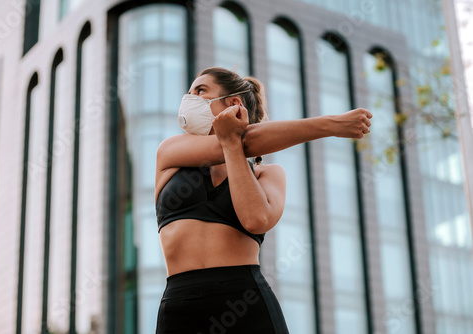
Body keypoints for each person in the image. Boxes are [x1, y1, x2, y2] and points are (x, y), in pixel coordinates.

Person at [154, 67, 372, 334]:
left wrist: (233, 145)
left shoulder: (268, 174)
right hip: (179, 303)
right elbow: (247, 140)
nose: (189, 99)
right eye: (188, 93)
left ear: (233, 103)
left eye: (200, 91)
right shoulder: (171, 152)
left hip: (244, 300)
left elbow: (256, 219)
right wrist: (330, 124)